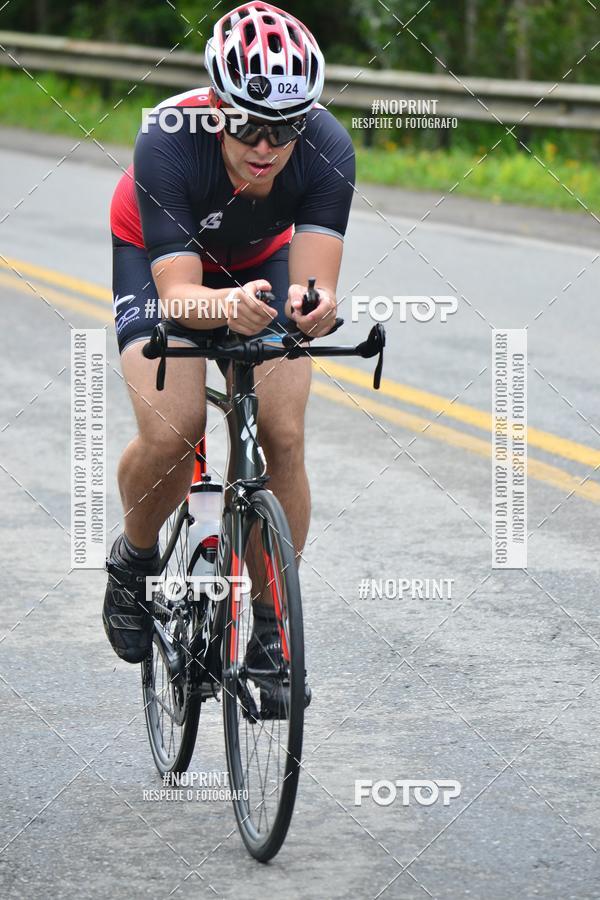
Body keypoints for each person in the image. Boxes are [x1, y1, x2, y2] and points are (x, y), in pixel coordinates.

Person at [103, 1, 356, 697]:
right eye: (247, 123)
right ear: (217, 107)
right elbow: (180, 296)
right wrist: (223, 308)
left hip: (259, 259)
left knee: (284, 432)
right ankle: (134, 559)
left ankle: (273, 632)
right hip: (161, 263)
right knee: (175, 430)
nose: (266, 144)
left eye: (286, 126)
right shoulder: (166, 139)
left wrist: (312, 310)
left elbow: (313, 286)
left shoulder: (329, 147)